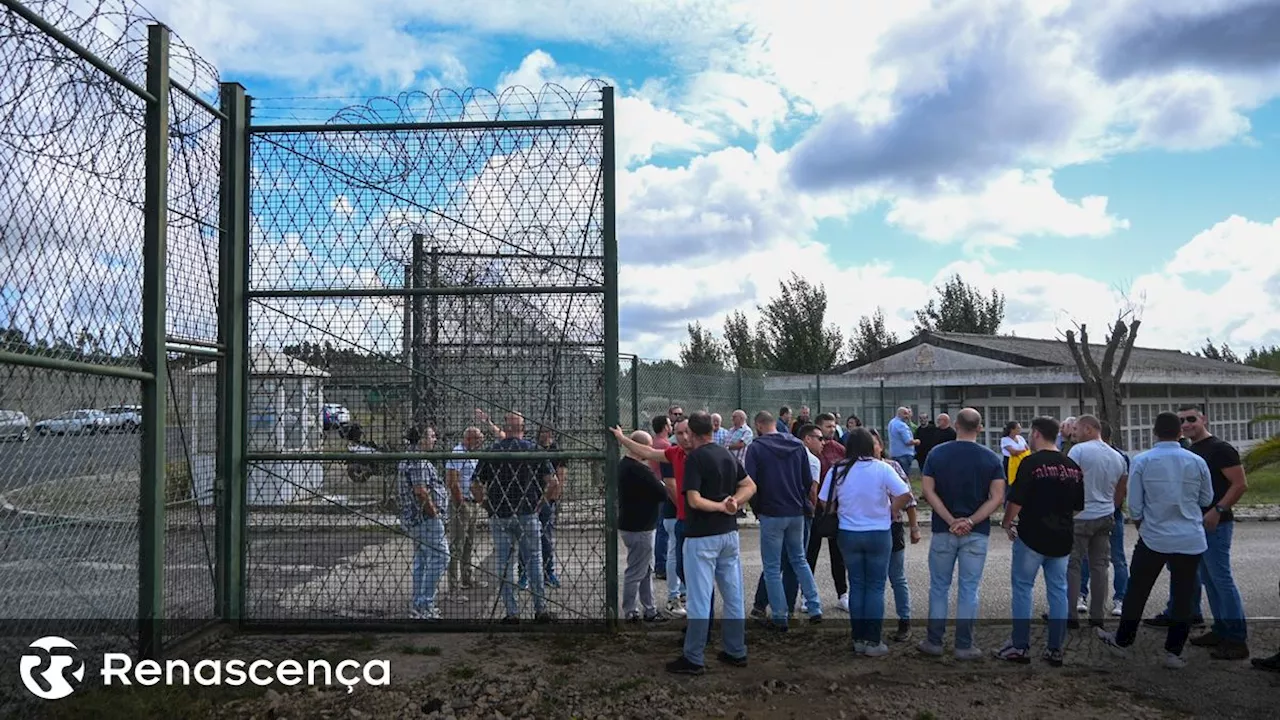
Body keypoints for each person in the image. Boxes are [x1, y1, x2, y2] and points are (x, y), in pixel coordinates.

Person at [1098, 412, 1214, 670]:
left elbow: (1135, 504)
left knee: (1137, 590)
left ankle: (1124, 640)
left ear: (1154, 432)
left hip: (1153, 536)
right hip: (1190, 538)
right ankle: (1174, 652)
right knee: (1183, 595)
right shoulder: (1196, 461)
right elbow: (1207, 498)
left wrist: (1143, 525)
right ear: (1180, 432)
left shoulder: (1143, 460)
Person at [669, 412, 757, 675]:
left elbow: (693, 500)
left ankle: (694, 657)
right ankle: (735, 650)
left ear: (693, 434)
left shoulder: (695, 458)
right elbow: (749, 485)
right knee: (733, 594)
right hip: (728, 535)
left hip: (701, 536)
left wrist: (720, 506)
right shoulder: (725, 454)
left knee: (699, 597)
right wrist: (734, 502)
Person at [918, 408, 1005, 660]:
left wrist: (949, 519)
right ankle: (964, 644)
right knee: (969, 588)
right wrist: (970, 520)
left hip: (943, 529)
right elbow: (997, 497)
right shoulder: (991, 458)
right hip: (976, 532)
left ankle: (934, 641)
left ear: (956, 425)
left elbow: (928, 491)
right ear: (979, 428)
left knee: (939, 587)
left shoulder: (937, 453)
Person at [996, 416, 1083, 667]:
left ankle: (1020, 646)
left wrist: (1007, 523)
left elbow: (1016, 500)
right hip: (1062, 537)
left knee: (1023, 589)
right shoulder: (1072, 466)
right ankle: (1055, 648)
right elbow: (1077, 506)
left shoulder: (1030, 463)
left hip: (1032, 535)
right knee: (1058, 591)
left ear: (1035, 434)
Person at [821, 428, 912, 656]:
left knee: (857, 585)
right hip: (879, 533)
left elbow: (824, 501)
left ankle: (858, 638)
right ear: (871, 446)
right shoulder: (882, 468)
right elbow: (905, 494)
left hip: (848, 533)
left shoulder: (838, 469)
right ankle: (873, 641)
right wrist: (892, 510)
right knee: (875, 587)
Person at [1178, 405, 1250, 660]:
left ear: (1203, 419)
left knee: (1221, 578)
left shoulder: (1220, 449)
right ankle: (1221, 629)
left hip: (1216, 524)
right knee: (1208, 579)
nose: (1186, 424)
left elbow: (1240, 484)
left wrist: (1218, 509)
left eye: (1191, 419)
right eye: (1182, 421)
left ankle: (1236, 637)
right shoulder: (1189, 450)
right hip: (1196, 524)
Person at [476, 412, 558, 623]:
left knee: (505, 564)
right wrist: (542, 502)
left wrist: (485, 504)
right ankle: (541, 609)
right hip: (527, 512)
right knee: (534, 561)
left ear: (506, 428)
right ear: (523, 429)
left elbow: (475, 485)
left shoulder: (492, 451)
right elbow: (554, 482)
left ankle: (512, 613)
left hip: (500, 513)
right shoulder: (533, 450)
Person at [745, 411, 823, 630]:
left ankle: (780, 615)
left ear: (759, 426)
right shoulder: (797, 445)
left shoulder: (757, 448)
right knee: (799, 560)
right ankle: (815, 606)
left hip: (771, 512)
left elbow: (750, 483)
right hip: (796, 511)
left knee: (772, 566)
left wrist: (757, 509)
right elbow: (808, 481)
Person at [1065, 415, 1128, 630]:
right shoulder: (1117, 456)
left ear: (1090, 429)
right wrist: (1112, 506)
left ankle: (1071, 614)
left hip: (1081, 516)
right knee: (1100, 566)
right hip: (1105, 515)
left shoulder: (1078, 451)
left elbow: (1071, 481)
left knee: (1073, 565)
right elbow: (1122, 487)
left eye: (1077, 429)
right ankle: (1097, 615)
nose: (1075, 434)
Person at [870, 428, 919, 642]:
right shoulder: (855, 469)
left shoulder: (892, 466)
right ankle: (873, 624)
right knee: (873, 579)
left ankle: (904, 620)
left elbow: (908, 498)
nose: (871, 448)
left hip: (892, 527)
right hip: (868, 530)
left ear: (881, 445)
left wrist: (914, 527)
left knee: (896, 576)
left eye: (874, 443)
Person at [617, 429, 671, 623]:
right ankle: (631, 611)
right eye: (647, 447)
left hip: (633, 524)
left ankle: (650, 608)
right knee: (636, 571)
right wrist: (663, 486)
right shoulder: (639, 469)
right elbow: (661, 493)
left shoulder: (624, 465)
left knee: (644, 569)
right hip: (640, 526)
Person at [1079, 421, 1131, 618]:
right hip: (1111, 513)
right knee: (1115, 558)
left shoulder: (1088, 452)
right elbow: (1122, 489)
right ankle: (1119, 599)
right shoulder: (1121, 456)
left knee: (1088, 557)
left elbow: (1121, 487)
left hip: (1096, 513)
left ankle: (1082, 595)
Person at [399, 426, 449, 621]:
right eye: (431, 435)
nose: (435, 439)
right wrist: (434, 512)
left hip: (415, 519)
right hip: (425, 519)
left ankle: (418, 604)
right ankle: (425, 604)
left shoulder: (408, 457)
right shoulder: (418, 460)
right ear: (420, 439)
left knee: (423, 560)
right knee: (441, 557)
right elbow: (420, 491)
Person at [887, 407, 920, 475]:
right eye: (905, 414)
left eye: (908, 414)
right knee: (903, 477)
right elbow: (908, 441)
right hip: (904, 455)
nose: (907, 416)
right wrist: (917, 441)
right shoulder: (902, 425)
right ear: (899, 414)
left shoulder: (892, 422)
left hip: (894, 454)